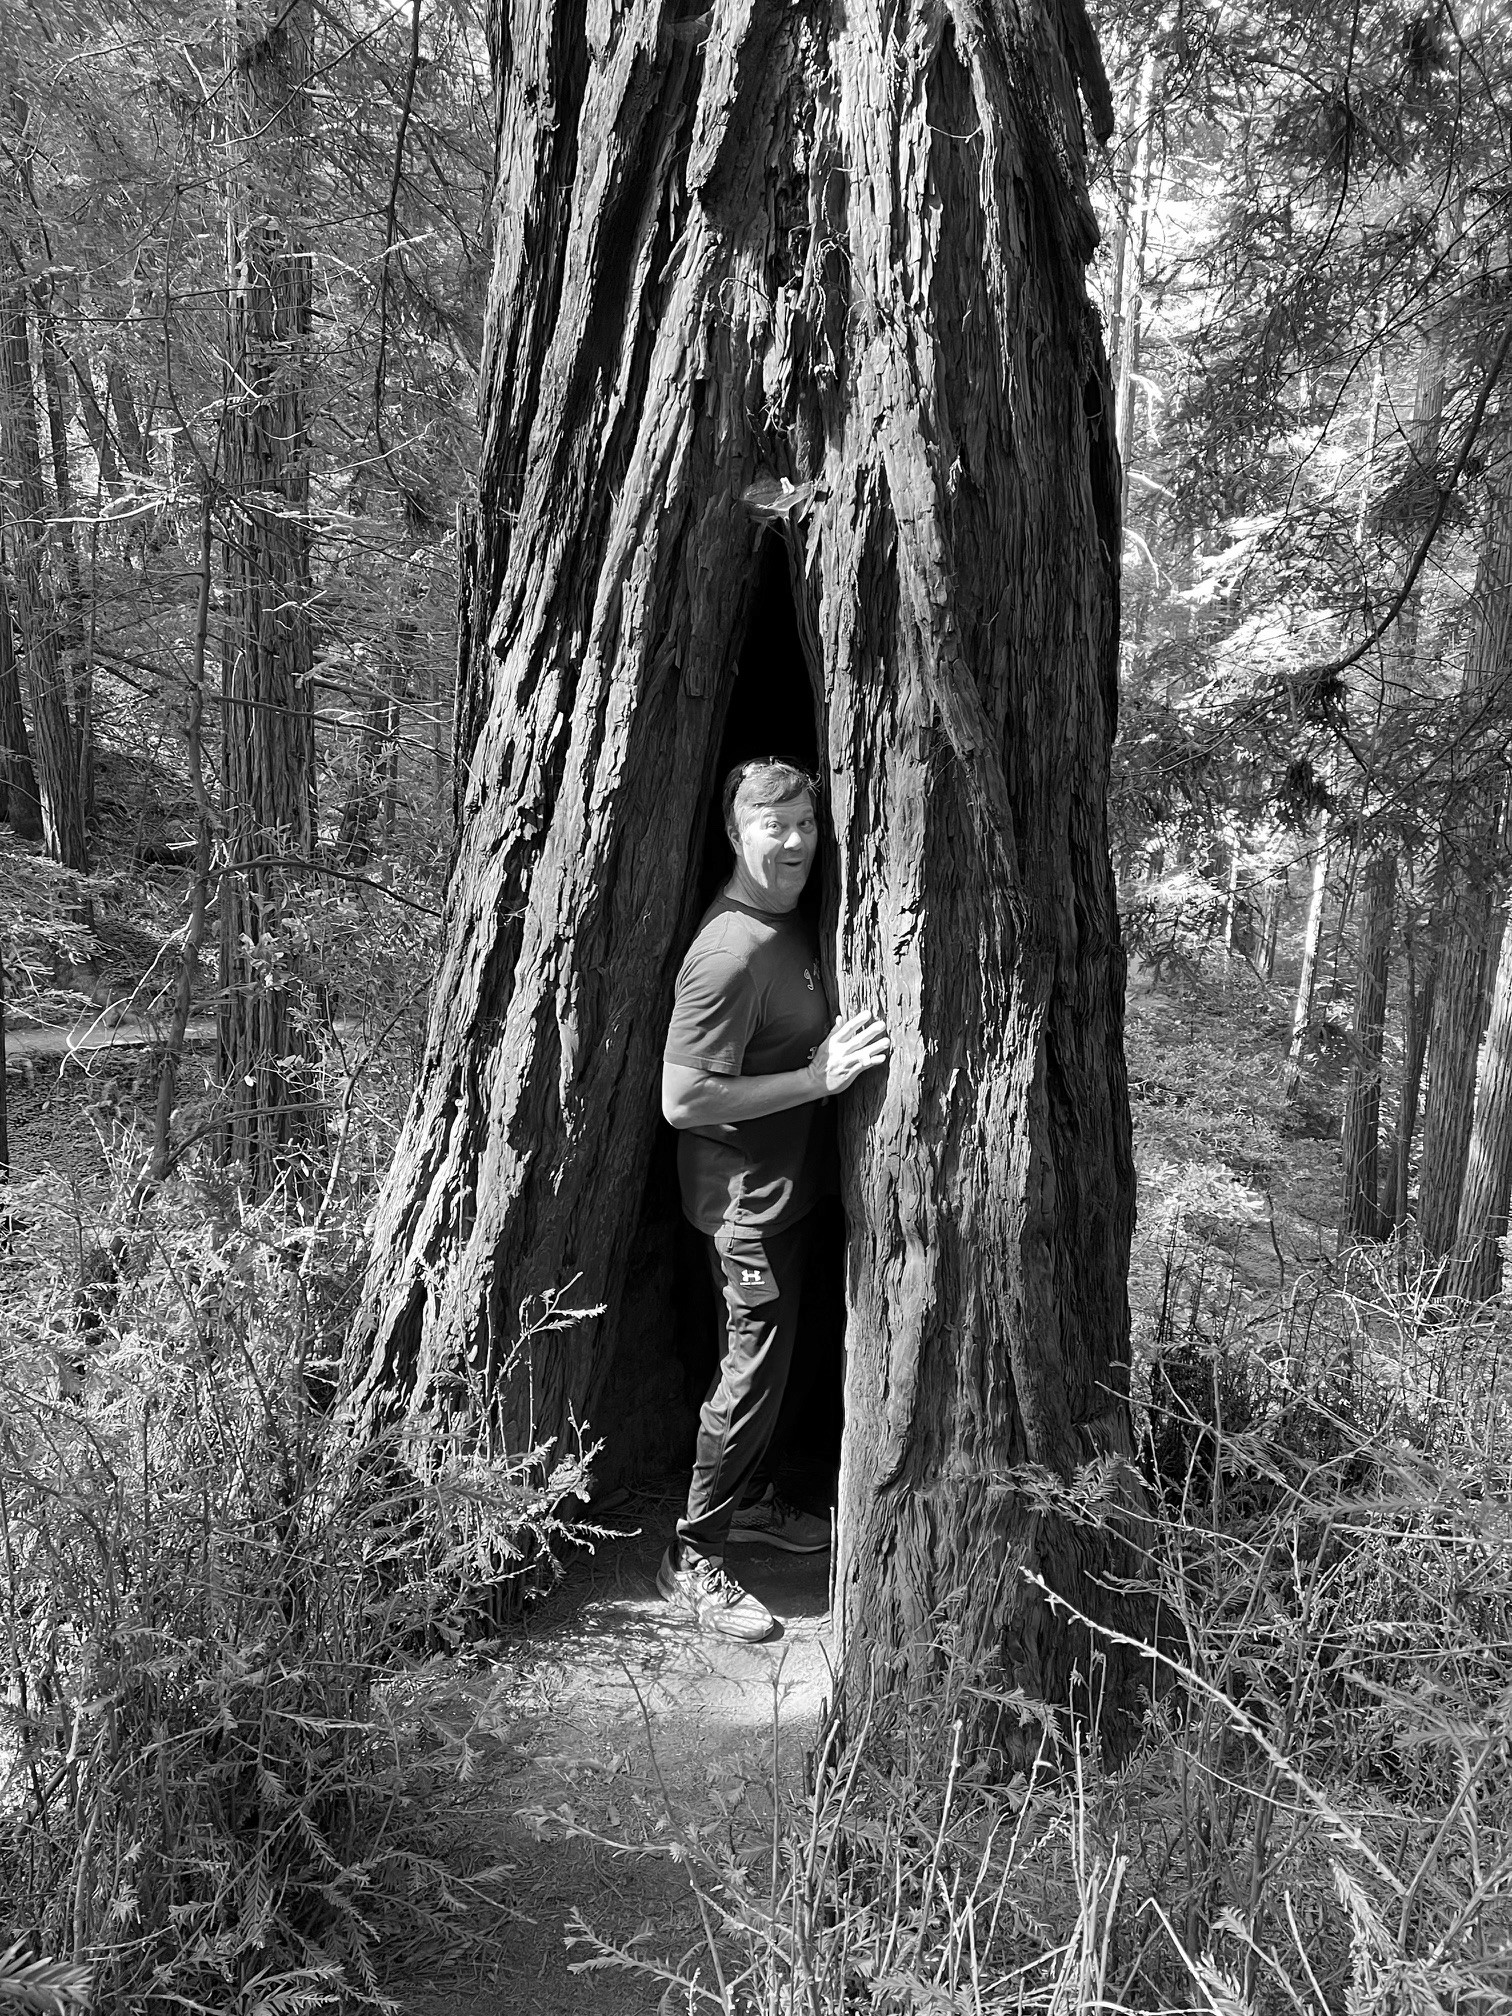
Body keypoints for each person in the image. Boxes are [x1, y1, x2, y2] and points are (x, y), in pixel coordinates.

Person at [656, 757, 891, 1640]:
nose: (794, 841)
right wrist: (816, 1078)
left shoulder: (790, 918)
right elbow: (682, 1101)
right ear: (735, 831)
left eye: (804, 823)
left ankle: (750, 1500)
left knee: (780, 1365)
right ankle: (693, 1552)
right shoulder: (726, 955)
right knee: (748, 1377)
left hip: (788, 1192)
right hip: (743, 1208)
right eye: (772, 825)